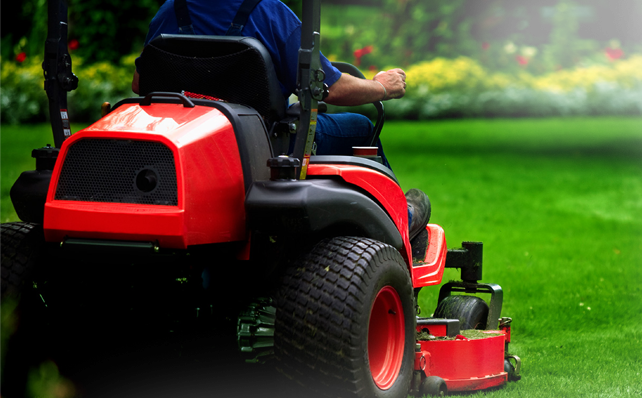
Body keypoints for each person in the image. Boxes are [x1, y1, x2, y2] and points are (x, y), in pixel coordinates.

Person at [133, 0, 430, 242]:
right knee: (360, 127)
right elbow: (331, 87)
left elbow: (139, 83)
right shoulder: (269, 12)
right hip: (266, 145)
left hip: (188, 142)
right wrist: (381, 87)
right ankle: (400, 217)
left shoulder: (171, 10)